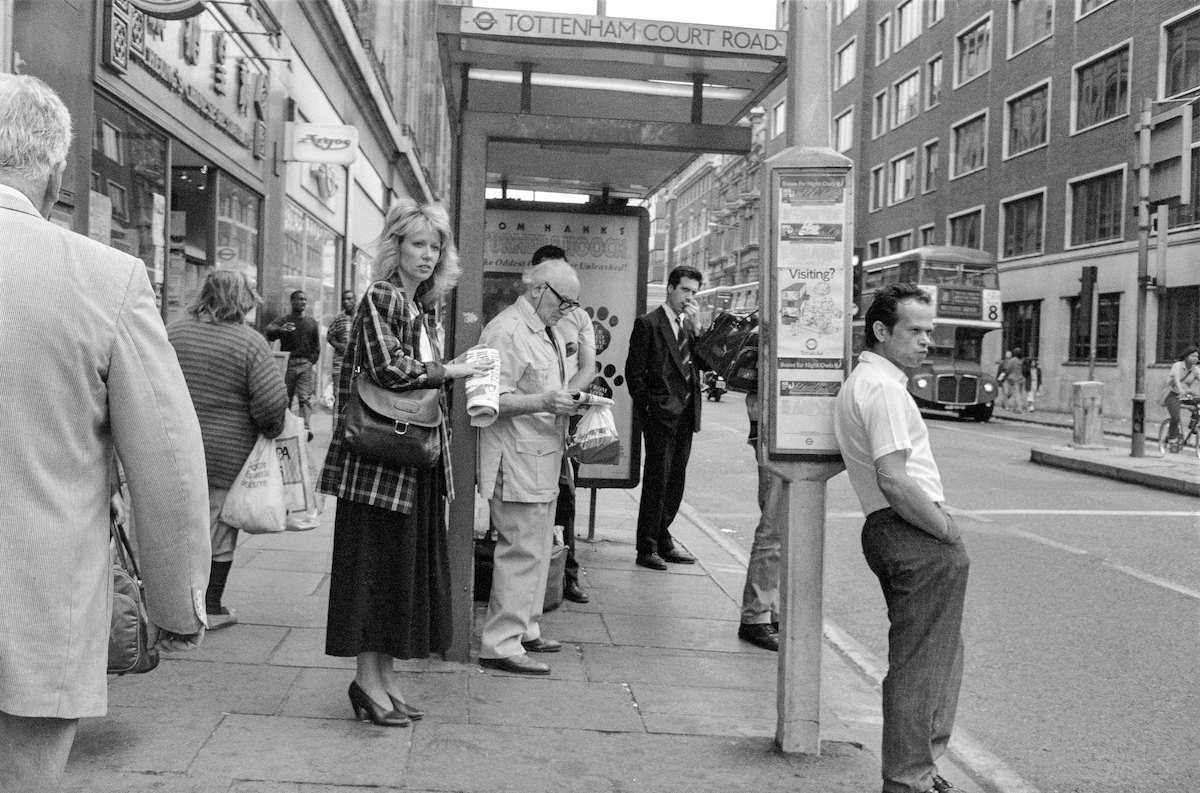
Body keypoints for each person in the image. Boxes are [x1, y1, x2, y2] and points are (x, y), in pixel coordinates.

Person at [0, 73, 211, 792]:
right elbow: (169, 463)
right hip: (32, 619)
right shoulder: (104, 277)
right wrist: (177, 601)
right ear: (55, 172)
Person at [319, 199, 486, 727]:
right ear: (395, 247)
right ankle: (368, 683)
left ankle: (383, 681)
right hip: (377, 464)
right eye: (418, 244)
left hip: (404, 464)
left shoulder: (416, 306)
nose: (428, 255)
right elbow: (390, 369)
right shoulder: (384, 295)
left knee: (393, 577)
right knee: (374, 575)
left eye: (435, 247)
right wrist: (451, 369)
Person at [833, 283, 970, 793]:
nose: (927, 341)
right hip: (912, 531)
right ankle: (910, 777)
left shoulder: (863, 383)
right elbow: (893, 476)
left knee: (934, 655)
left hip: (889, 529)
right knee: (921, 663)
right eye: (915, 330)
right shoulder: (886, 390)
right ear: (881, 331)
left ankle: (919, 770)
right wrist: (946, 529)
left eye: (930, 331)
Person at [477, 259, 583, 675]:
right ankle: (500, 643)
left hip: (540, 455)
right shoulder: (505, 331)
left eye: (573, 304)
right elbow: (487, 400)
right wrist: (544, 402)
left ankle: (524, 628)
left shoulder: (548, 329)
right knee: (520, 549)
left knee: (537, 547)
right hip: (517, 459)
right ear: (539, 289)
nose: (568, 310)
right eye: (564, 301)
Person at [168, 270, 289, 631]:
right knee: (217, 533)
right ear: (243, 300)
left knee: (175, 528)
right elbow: (271, 405)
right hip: (225, 456)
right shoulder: (249, 343)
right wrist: (272, 429)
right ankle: (210, 606)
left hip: (173, 450)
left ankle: (166, 604)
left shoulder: (174, 332)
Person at [625, 265, 704, 570]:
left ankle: (664, 538)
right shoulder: (648, 324)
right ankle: (647, 546)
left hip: (685, 415)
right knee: (658, 480)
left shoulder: (688, 327)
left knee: (676, 481)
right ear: (671, 288)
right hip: (661, 415)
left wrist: (698, 331)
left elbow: (708, 365)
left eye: (694, 292)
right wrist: (652, 408)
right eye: (685, 290)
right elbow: (634, 374)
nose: (689, 297)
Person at [532, 244, 596, 604]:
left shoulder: (578, 317)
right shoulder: (520, 318)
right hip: (527, 420)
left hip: (563, 416)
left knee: (566, 495)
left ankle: (567, 572)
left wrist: (565, 397)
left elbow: (588, 366)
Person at [738, 390, 783, 652]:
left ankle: (772, 610)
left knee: (785, 528)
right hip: (776, 426)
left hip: (783, 424)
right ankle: (756, 614)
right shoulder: (770, 351)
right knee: (774, 527)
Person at [266, 289, 320, 435]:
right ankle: (285, 428)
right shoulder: (285, 320)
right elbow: (269, 331)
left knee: (304, 398)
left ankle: (305, 429)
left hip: (305, 364)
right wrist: (280, 330)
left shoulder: (311, 322)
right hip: (288, 363)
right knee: (285, 397)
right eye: (299, 299)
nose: (302, 302)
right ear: (292, 302)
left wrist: (310, 362)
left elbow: (316, 346)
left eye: (304, 299)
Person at [327, 289, 356, 411]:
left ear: (355, 300)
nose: (346, 301)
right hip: (340, 363)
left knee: (354, 397)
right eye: (344, 299)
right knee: (338, 395)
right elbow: (330, 336)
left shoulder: (361, 317)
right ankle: (337, 427)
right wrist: (340, 346)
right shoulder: (338, 318)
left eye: (349, 299)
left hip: (356, 364)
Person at [1164, 346, 1200, 445]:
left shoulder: (1195, 369)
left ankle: (1193, 423)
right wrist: (1180, 390)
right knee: (1175, 418)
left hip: (1186, 395)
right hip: (1173, 394)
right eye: (1193, 356)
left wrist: (1185, 392)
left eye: (1197, 356)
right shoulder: (1177, 365)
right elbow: (1176, 378)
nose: (1195, 358)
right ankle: (1172, 437)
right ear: (1186, 356)